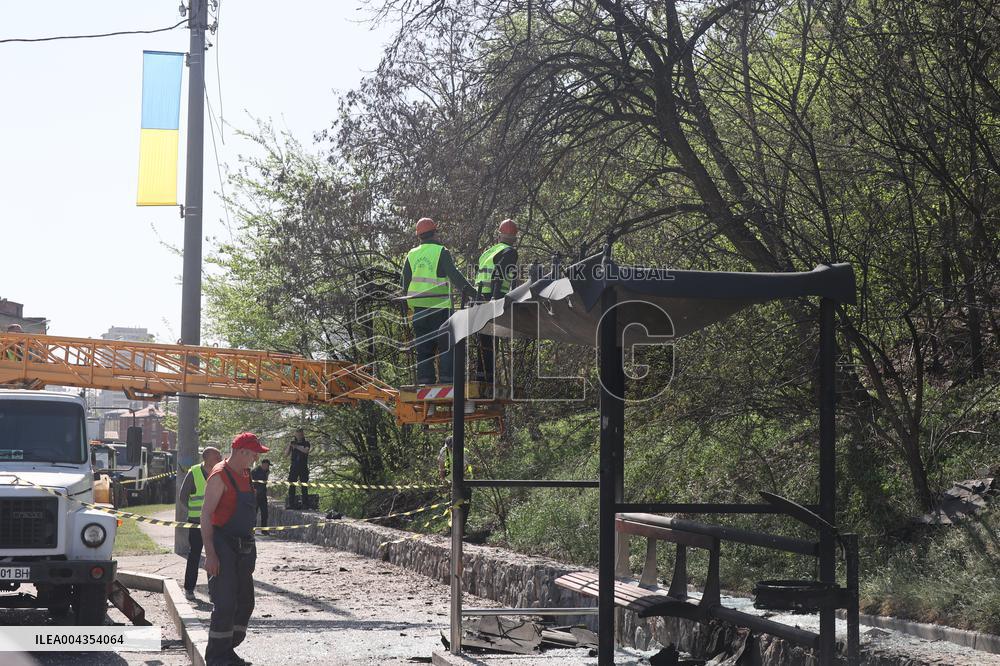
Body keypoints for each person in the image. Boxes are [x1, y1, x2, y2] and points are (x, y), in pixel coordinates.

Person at [202, 432, 269, 666]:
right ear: (241, 452)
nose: (254, 459)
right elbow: (206, 515)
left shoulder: (245, 474)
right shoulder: (219, 476)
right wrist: (210, 554)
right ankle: (216, 657)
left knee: (245, 601)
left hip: (244, 547)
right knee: (226, 603)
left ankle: (227, 649)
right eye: (253, 455)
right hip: (223, 546)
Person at [401, 217, 477, 385]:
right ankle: (447, 381)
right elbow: (456, 277)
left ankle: (425, 381)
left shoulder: (411, 255)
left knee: (424, 349)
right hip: (440, 310)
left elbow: (404, 285)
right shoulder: (441, 252)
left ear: (419, 236)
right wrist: (474, 294)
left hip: (419, 311)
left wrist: (407, 306)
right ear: (434, 233)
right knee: (446, 346)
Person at [474, 219, 519, 383]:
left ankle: (482, 376)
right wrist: (495, 297)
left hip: (479, 297)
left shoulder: (489, 251)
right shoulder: (510, 252)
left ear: (499, 234)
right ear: (514, 237)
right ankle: (489, 379)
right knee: (492, 338)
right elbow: (498, 273)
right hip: (494, 296)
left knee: (484, 339)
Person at [176, 446, 223, 600]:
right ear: (207, 458)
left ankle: (214, 592)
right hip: (197, 523)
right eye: (217, 455)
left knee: (214, 556)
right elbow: (183, 497)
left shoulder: (221, 472)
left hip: (216, 522)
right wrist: (195, 512)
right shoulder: (194, 472)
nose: (220, 457)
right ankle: (189, 589)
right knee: (195, 555)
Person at [437, 435, 471, 533]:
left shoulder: (463, 452)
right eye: (450, 447)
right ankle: (453, 530)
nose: (451, 449)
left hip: (463, 483)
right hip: (450, 483)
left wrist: (459, 483)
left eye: (453, 447)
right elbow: (441, 467)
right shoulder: (444, 452)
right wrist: (444, 480)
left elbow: (465, 468)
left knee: (465, 505)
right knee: (452, 506)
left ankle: (461, 529)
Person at [283, 428, 311, 509]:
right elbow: (285, 455)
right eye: (297, 434)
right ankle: (291, 504)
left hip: (303, 466)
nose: (299, 435)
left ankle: (305, 504)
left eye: (300, 434)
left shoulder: (306, 443)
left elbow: (306, 451)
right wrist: (290, 445)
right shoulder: (292, 443)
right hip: (294, 466)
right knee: (292, 485)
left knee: (304, 485)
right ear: (295, 434)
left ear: (303, 434)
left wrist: (296, 446)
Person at [250, 459, 271, 527]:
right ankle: (252, 529)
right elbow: (251, 483)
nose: (268, 467)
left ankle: (264, 530)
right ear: (264, 464)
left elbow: (264, 482)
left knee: (265, 513)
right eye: (267, 465)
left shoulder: (266, 471)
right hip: (255, 495)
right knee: (254, 514)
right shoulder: (255, 471)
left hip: (263, 495)